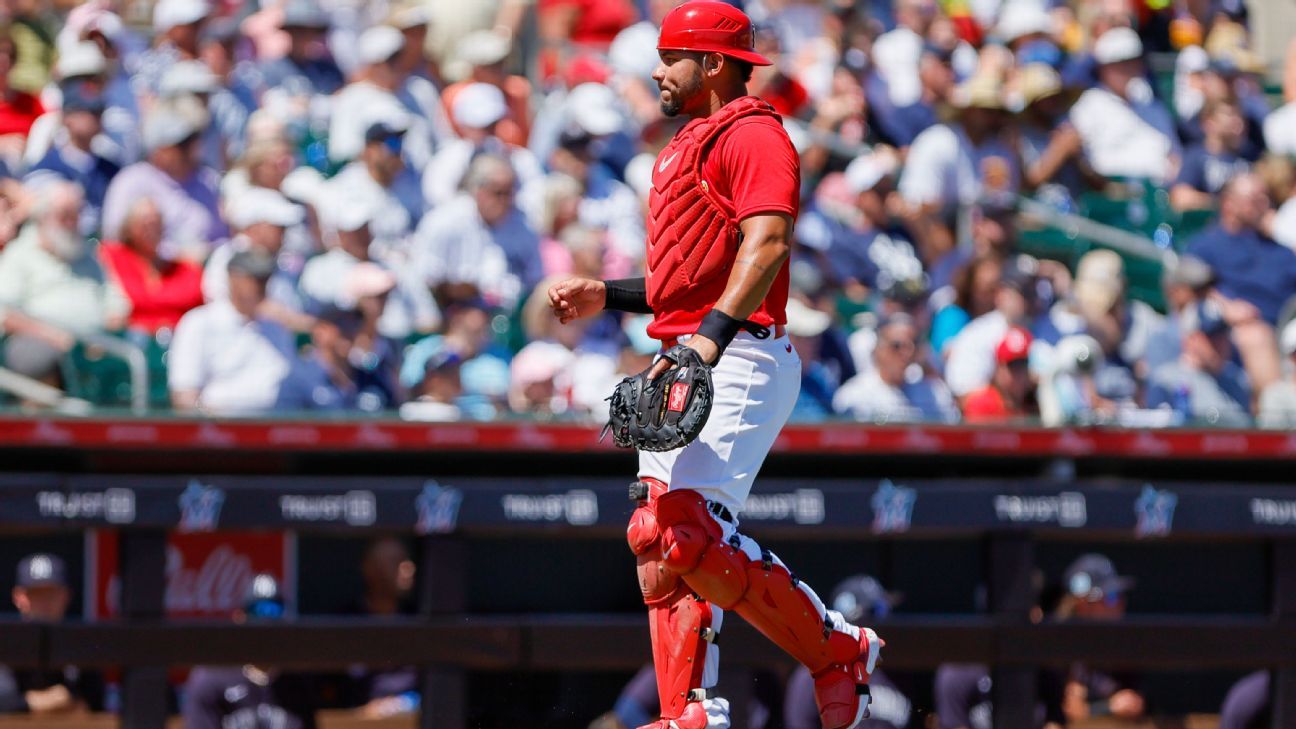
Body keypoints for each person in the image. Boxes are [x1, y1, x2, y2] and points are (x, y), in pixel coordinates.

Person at [546, 4, 882, 728]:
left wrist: (709, 341)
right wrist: (611, 294)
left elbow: (767, 247)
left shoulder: (755, 132)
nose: (659, 71)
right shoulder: (689, 141)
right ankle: (684, 713)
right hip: (690, 348)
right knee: (656, 542)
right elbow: (691, 275)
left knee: (687, 531)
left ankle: (839, 648)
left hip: (741, 350)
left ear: (716, 65)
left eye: (673, 57)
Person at [0, 181, 128, 385]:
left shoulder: (89, 255)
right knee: (37, 358)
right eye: (64, 215)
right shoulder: (19, 254)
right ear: (44, 217)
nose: (72, 223)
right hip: (42, 344)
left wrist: (106, 327)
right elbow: (6, 313)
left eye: (76, 215)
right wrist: (52, 336)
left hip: (96, 346)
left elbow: (116, 301)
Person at [1187, 172, 1296, 397]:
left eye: (1266, 198)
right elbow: (1184, 289)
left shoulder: (1281, 251)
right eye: (1255, 199)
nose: (1264, 205)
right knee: (1256, 336)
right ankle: (1276, 419)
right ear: (1229, 203)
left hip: (1287, 327)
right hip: (1233, 334)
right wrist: (1225, 307)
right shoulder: (1206, 245)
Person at [167, 249, 296, 415]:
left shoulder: (276, 325)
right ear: (233, 278)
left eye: (264, 278)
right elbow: (184, 395)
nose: (260, 285)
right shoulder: (199, 323)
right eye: (253, 278)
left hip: (277, 426)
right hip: (217, 428)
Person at [183, 574, 319, 729]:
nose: (266, 620)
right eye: (257, 611)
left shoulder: (297, 683)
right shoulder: (211, 679)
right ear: (239, 617)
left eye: (274, 611)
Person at [101, 97, 225, 258]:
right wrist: (175, 256)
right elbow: (114, 240)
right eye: (182, 144)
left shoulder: (208, 180)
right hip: (149, 274)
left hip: (203, 272)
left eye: (194, 140)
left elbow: (222, 236)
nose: (192, 149)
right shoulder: (132, 181)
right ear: (158, 148)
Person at [785, 576, 913, 729]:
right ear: (852, 620)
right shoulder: (813, 675)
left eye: (887, 609)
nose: (886, 617)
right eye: (878, 610)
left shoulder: (900, 671)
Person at [1068, 27, 1180, 183]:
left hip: (1158, 192)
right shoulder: (1089, 105)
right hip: (1111, 192)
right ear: (1103, 67)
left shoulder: (1152, 105)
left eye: (1132, 61)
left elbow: (1174, 154)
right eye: (1119, 63)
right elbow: (1082, 159)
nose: (1127, 68)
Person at [0, 554, 105, 715]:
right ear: (19, 597)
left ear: (66, 596)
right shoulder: (6, 640)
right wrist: (40, 702)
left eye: (51, 593)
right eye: (36, 594)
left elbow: (94, 702)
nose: (44, 602)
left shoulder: (80, 644)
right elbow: (4, 700)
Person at [23, 80, 119, 237]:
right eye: (86, 111)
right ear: (66, 117)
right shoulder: (46, 167)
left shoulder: (111, 169)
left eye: (98, 111)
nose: (94, 118)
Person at [99, 197, 204, 335]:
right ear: (129, 228)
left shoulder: (184, 269)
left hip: (178, 338)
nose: (151, 228)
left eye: (156, 222)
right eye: (144, 223)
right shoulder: (112, 257)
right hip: (132, 341)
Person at [834, 313, 959, 423]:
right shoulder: (854, 394)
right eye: (896, 346)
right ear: (878, 350)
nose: (907, 353)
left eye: (912, 345)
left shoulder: (934, 393)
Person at [1144, 300, 1250, 426]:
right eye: (1211, 336)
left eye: (1223, 334)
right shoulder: (1166, 382)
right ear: (1190, 339)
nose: (1220, 343)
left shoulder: (1238, 380)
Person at [1170, 98, 1252, 211]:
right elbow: (1181, 197)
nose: (1238, 123)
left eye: (1239, 116)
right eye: (1231, 116)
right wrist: (1223, 203)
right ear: (1209, 122)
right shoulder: (1196, 157)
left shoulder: (1249, 157)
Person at [962, 325, 1037, 422]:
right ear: (999, 368)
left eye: (1024, 363)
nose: (1021, 373)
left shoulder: (1034, 402)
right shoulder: (983, 404)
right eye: (1015, 365)